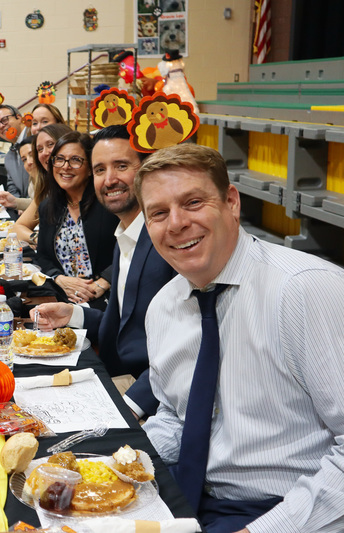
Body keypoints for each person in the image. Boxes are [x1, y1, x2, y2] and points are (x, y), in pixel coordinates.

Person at [137, 143, 344, 532]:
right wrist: (128, 460)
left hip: (292, 509)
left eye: (193, 202)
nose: (176, 223)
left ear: (231, 202)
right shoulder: (164, 306)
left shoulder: (306, 290)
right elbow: (175, 415)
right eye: (159, 213)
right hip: (193, 497)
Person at [32, 125, 175, 418]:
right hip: (120, 378)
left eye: (121, 166)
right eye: (100, 169)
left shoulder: (168, 242)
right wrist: (73, 314)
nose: (110, 180)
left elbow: (184, 349)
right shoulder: (125, 235)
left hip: (153, 397)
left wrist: (132, 407)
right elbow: (122, 322)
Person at [34, 131, 116, 308]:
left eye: (75, 160)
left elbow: (129, 249)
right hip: (63, 298)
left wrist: (104, 281)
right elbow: (42, 256)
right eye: (60, 159)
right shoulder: (48, 206)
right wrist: (60, 279)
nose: (65, 166)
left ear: (90, 169)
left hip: (107, 298)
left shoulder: (109, 203)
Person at [10, 123, 72, 246]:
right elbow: (17, 228)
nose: (45, 153)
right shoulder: (47, 187)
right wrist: (38, 238)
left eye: (50, 144)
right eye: (39, 149)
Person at [0, 104, 29, 206]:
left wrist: (24, 205)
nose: (2, 126)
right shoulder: (8, 158)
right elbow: (12, 186)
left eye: (5, 120)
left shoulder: (36, 142)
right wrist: (18, 204)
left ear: (19, 118)